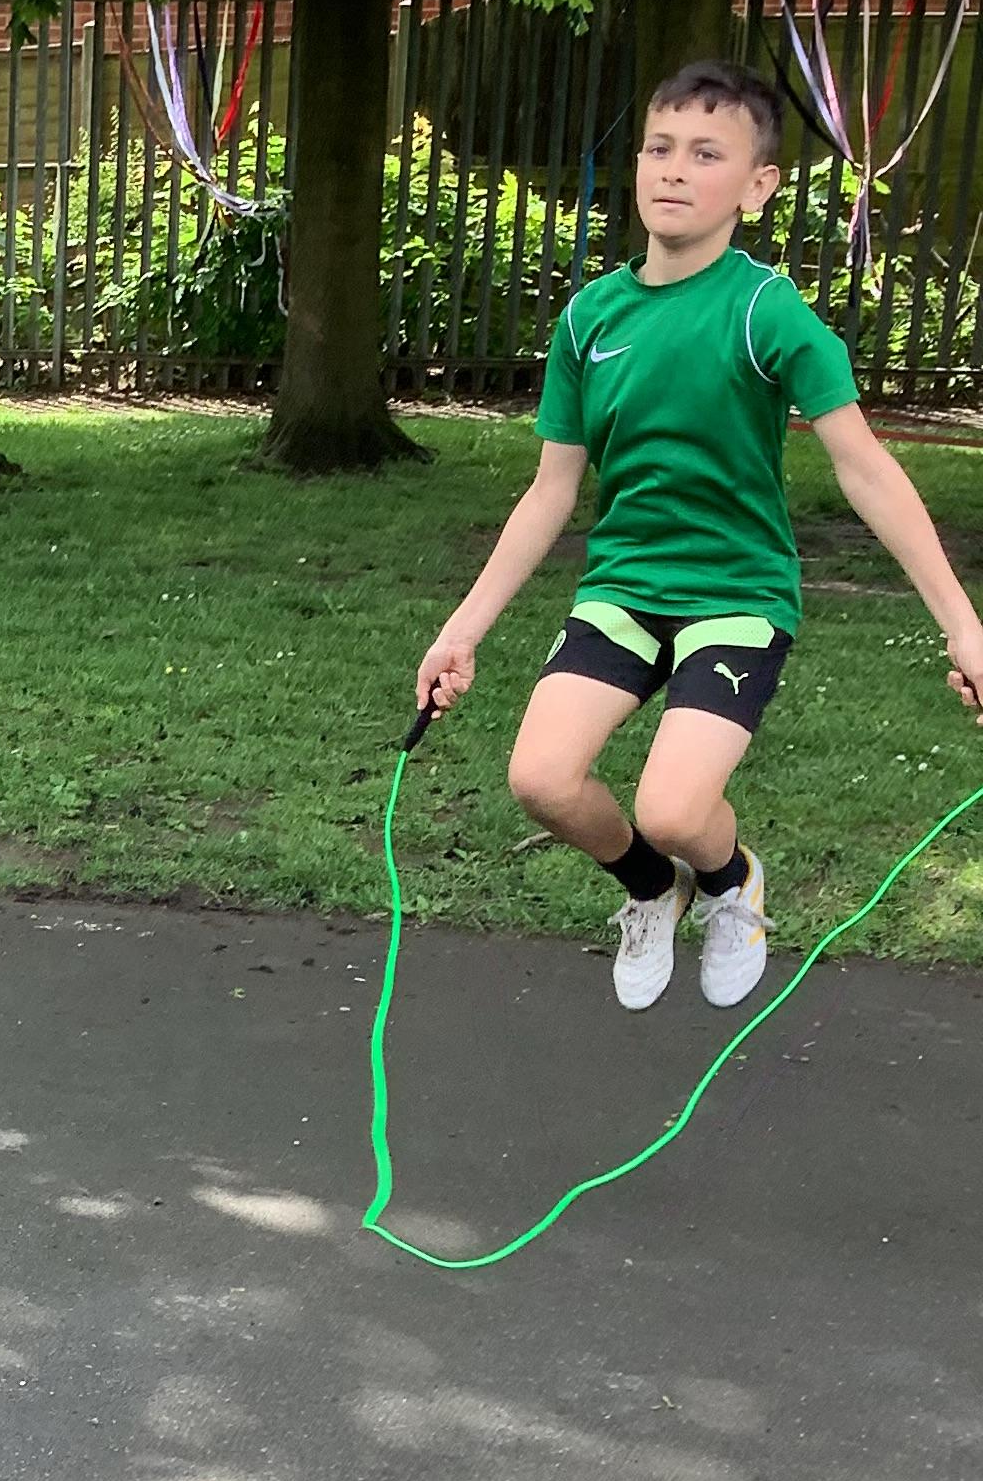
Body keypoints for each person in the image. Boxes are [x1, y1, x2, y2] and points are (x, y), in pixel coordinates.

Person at [415, 59, 983, 1009]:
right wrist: (461, 631)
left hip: (737, 595)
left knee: (675, 809)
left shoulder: (766, 311)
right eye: (659, 147)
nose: (674, 170)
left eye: (707, 154)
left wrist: (964, 626)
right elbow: (551, 491)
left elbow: (866, 469)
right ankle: (652, 888)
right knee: (542, 781)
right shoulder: (590, 318)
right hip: (624, 588)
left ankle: (730, 881)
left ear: (758, 187)